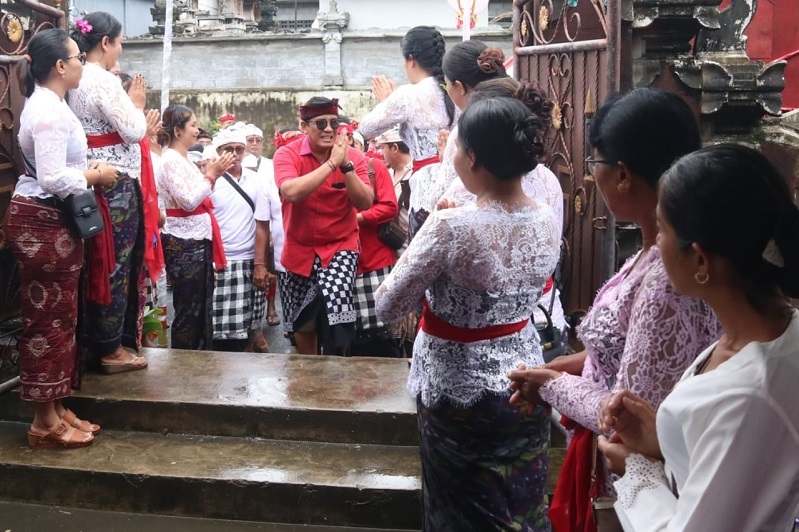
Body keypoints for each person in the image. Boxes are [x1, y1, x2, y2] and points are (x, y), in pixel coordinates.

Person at [507, 88, 722, 532]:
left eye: (595, 165)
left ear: (622, 174)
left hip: (640, 486)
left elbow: (630, 414)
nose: (591, 179)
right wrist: (580, 364)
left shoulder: (669, 279)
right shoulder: (655, 252)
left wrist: (550, 384)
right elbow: (637, 352)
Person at [376, 97, 560, 530]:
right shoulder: (549, 217)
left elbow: (389, 304)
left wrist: (428, 238)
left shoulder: (451, 226)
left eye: (456, 147)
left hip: (455, 389)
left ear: (472, 156)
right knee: (523, 503)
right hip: (525, 380)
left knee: (461, 511)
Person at [597, 144, 799, 531]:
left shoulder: (750, 393)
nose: (656, 243)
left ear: (701, 260)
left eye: (663, 230)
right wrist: (667, 440)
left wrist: (640, 472)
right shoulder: (772, 336)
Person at [6, 28, 118, 448]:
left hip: (49, 220)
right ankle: (42, 422)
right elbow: (53, 177)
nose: (81, 64)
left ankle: (54, 408)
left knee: (60, 317)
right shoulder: (49, 110)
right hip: (43, 222)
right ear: (59, 66)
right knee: (47, 319)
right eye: (77, 58)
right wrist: (97, 175)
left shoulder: (51, 104)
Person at [439, 77, 566, 332]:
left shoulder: (464, 189)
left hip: (487, 329)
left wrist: (445, 226)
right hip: (544, 318)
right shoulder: (549, 180)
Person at [69, 12, 149, 373]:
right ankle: (110, 348)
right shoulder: (101, 79)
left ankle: (93, 341)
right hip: (113, 184)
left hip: (90, 178)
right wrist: (137, 105)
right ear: (105, 43)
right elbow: (134, 131)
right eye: (119, 43)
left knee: (97, 263)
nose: (119, 51)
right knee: (114, 264)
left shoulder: (73, 76)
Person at [273, 97, 374, 355]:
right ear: (304, 127)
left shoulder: (353, 156)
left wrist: (345, 166)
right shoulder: (287, 154)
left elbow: (365, 202)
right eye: (321, 123)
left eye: (333, 123)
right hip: (299, 250)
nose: (329, 129)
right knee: (303, 322)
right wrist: (331, 165)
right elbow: (291, 192)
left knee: (338, 314)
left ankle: (337, 374)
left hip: (340, 247)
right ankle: (308, 374)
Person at [359, 25, 454, 238]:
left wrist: (387, 102)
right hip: (458, 183)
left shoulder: (408, 95)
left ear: (411, 59)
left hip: (426, 185)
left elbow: (366, 127)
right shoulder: (454, 88)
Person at [156, 104, 234, 349]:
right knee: (190, 307)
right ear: (178, 131)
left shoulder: (183, 159)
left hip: (196, 238)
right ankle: (185, 359)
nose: (197, 129)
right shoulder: (169, 160)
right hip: (184, 241)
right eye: (192, 125)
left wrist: (210, 175)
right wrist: (211, 175)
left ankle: (198, 356)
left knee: (201, 304)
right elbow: (189, 201)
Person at [210, 126, 268, 352]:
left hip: (251, 260)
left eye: (239, 149)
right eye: (228, 149)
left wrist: (261, 264)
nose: (234, 153)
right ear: (218, 151)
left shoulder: (257, 180)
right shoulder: (209, 181)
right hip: (221, 261)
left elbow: (264, 223)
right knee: (224, 331)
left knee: (251, 325)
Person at [350, 156, 399, 357]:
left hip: (374, 261)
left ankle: (389, 388)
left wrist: (356, 219)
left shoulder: (373, 167)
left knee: (383, 335)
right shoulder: (324, 170)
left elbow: (389, 206)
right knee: (348, 336)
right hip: (338, 265)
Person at [374, 127, 412, 256]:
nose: (380, 153)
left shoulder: (416, 173)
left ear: (394, 148)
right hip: (391, 249)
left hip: (411, 249)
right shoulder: (387, 173)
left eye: (383, 148)